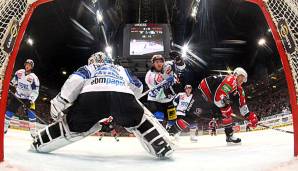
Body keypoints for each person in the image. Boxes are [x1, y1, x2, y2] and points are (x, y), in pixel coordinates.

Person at [30, 52, 175, 158]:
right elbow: (138, 87)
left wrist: (60, 102)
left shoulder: (90, 68)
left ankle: (40, 142)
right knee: (140, 118)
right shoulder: (120, 69)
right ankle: (162, 145)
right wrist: (130, 102)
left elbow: (74, 81)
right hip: (122, 97)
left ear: (93, 60)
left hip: (91, 99)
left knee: (71, 126)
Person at [169, 67, 258, 144]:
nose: (242, 81)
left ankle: (229, 136)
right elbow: (218, 98)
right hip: (202, 94)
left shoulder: (240, 90)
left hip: (212, 99)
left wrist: (250, 116)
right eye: (241, 77)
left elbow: (242, 105)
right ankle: (170, 133)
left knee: (226, 114)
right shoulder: (231, 80)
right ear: (236, 75)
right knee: (191, 117)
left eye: (244, 79)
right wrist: (225, 106)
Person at [145, 51, 185, 127]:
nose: (159, 63)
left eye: (161, 61)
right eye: (157, 62)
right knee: (159, 116)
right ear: (153, 63)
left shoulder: (168, 65)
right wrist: (170, 91)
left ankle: (171, 133)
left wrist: (179, 60)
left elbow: (182, 67)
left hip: (169, 100)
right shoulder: (149, 76)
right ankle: (157, 133)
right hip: (155, 100)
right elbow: (158, 94)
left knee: (172, 120)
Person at [4, 59, 39, 137]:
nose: (27, 66)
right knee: (9, 111)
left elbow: (35, 91)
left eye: (29, 65)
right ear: (25, 64)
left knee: (32, 114)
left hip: (29, 99)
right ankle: (4, 128)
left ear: (31, 67)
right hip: (18, 96)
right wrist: (10, 84)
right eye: (27, 64)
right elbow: (14, 81)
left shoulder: (34, 78)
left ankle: (33, 133)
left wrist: (31, 100)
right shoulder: (19, 72)